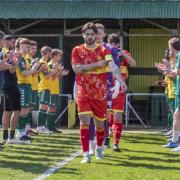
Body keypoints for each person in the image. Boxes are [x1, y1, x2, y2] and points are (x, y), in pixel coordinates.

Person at [71, 22, 127, 163]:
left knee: (100, 125)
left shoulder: (104, 51)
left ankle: (99, 148)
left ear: (96, 35)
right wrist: (96, 65)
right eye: (87, 34)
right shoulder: (76, 50)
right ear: (83, 35)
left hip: (100, 93)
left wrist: (121, 81)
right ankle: (86, 154)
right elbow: (77, 69)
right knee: (84, 121)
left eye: (92, 34)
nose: (89, 36)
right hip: (83, 91)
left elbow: (113, 66)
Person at [106, 33, 136, 151]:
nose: (113, 45)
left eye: (115, 43)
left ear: (118, 43)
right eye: (111, 43)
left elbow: (133, 63)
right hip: (107, 89)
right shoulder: (105, 53)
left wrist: (124, 55)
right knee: (107, 117)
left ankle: (116, 143)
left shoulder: (123, 53)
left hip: (120, 90)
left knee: (118, 117)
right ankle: (106, 138)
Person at [16, 38, 39, 142]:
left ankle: (22, 132)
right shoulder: (20, 57)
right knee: (23, 110)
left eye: (29, 47)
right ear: (21, 47)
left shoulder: (25, 58)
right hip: (22, 85)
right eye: (26, 47)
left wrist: (34, 68)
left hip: (27, 85)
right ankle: (19, 133)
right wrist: (34, 68)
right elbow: (25, 73)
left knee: (25, 110)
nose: (28, 49)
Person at [1, 35, 21, 144]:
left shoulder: (3, 52)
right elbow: (12, 70)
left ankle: (5, 137)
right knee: (16, 110)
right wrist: (17, 60)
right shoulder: (6, 53)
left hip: (4, 86)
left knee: (7, 110)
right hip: (11, 85)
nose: (14, 45)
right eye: (13, 43)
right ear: (6, 41)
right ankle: (11, 137)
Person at [47, 49, 69, 132]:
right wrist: (57, 71)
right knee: (51, 108)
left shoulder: (57, 64)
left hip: (55, 89)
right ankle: (48, 127)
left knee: (53, 108)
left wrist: (61, 74)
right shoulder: (50, 65)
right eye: (59, 55)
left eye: (61, 55)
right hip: (51, 89)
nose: (60, 57)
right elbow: (51, 77)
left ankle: (52, 127)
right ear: (54, 56)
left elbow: (57, 78)